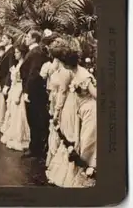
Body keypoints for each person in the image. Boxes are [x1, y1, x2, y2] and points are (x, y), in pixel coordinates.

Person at [46, 38, 96, 187]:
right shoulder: (73, 72)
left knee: (87, 142)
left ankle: (86, 172)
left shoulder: (83, 75)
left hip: (89, 110)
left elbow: (97, 95)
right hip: (80, 109)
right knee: (79, 141)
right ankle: (81, 171)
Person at [20, 30, 50, 158]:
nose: (25, 39)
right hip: (33, 90)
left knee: (34, 118)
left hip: (34, 92)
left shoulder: (36, 53)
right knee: (33, 119)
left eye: (27, 37)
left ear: (34, 39)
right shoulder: (34, 52)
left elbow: (33, 74)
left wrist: (27, 91)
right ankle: (35, 146)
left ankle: (35, 148)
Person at [0, 47, 31, 151]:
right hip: (13, 90)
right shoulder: (17, 65)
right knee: (12, 113)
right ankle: (12, 134)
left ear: (21, 54)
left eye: (17, 52)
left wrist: (18, 95)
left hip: (18, 91)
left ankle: (21, 137)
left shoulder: (23, 65)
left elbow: (23, 81)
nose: (15, 54)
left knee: (19, 114)